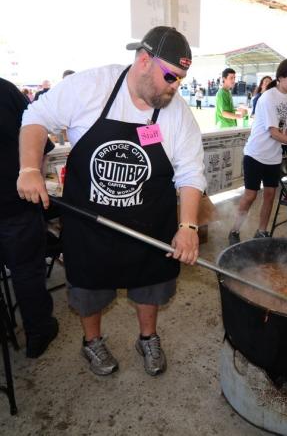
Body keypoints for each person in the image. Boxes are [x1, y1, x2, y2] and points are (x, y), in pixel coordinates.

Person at [17, 26, 206, 377]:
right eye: (170, 76)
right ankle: (92, 342)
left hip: (149, 223)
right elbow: (36, 117)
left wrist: (189, 225)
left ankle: (147, 337)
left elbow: (191, 171)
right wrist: (29, 167)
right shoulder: (91, 87)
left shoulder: (176, 112)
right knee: (89, 288)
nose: (175, 86)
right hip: (91, 224)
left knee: (151, 284)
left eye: (180, 79)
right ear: (144, 60)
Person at [0, 77, 59, 358]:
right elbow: (42, 147)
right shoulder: (4, 90)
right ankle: (39, 331)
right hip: (16, 205)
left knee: (24, 272)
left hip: (15, 203)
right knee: (26, 272)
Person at [228, 59, 287, 245]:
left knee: (269, 195)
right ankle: (234, 230)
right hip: (255, 154)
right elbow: (274, 133)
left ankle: (262, 231)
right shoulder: (268, 98)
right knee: (250, 195)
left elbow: (285, 130)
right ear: (280, 77)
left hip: (273, 157)